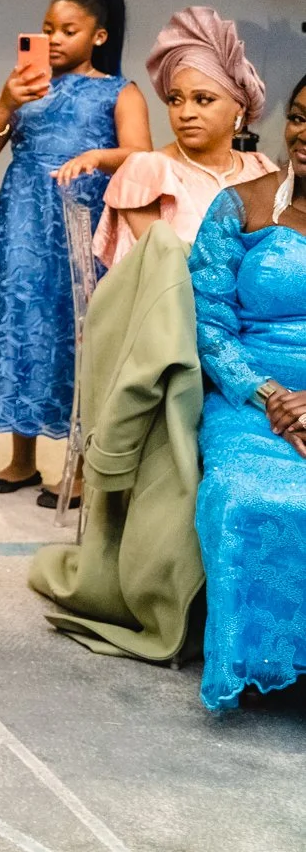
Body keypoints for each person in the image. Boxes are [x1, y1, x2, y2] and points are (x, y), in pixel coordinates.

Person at [0, 0, 150, 505]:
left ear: (99, 37)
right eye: (48, 29)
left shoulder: (120, 91)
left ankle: (82, 467)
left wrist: (98, 157)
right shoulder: (25, 86)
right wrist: (4, 102)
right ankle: (22, 460)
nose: (56, 39)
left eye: (69, 30)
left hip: (81, 224)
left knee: (78, 334)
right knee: (22, 327)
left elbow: (141, 156)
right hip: (21, 225)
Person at [185, 73, 306, 710]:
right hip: (250, 397)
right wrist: (271, 395)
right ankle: (262, 659)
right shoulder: (240, 204)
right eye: (300, 117)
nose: (303, 134)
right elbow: (207, 322)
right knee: (246, 496)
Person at [95, 7, 275, 269]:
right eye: (175, 100)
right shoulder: (149, 172)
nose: (185, 113)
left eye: (203, 99)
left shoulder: (261, 170)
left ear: (239, 107)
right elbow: (158, 271)